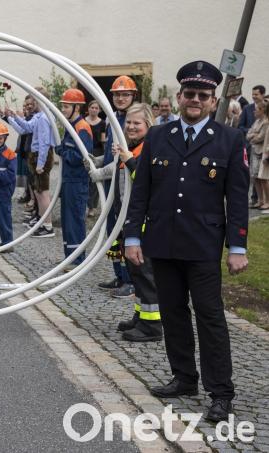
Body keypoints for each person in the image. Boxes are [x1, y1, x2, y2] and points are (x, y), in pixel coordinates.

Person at [124, 60, 249, 423]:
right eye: (189, 94)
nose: (195, 100)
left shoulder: (229, 139)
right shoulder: (159, 136)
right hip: (162, 242)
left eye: (203, 95)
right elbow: (142, 190)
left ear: (213, 101)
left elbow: (237, 198)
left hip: (203, 246)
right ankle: (183, 377)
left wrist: (237, 247)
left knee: (210, 317)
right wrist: (133, 235)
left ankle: (220, 392)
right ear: (179, 97)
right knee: (174, 314)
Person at [88, 103, 162, 342]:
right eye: (128, 122)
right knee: (137, 274)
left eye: (136, 123)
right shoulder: (132, 148)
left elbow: (147, 182)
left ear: (148, 125)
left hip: (145, 225)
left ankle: (152, 326)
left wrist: (129, 160)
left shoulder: (151, 149)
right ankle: (141, 318)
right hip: (129, 221)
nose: (130, 127)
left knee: (146, 274)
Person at [98, 75, 138, 297]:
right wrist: (98, 162)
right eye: (117, 94)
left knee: (124, 229)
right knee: (112, 228)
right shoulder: (112, 118)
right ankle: (120, 275)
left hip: (125, 181)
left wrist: (102, 171)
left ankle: (131, 280)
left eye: (125, 94)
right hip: (110, 180)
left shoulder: (133, 120)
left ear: (133, 96)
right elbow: (109, 153)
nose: (121, 98)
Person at [5, 90, 57, 238]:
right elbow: (27, 128)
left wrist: (40, 163)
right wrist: (14, 117)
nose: (32, 102)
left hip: (42, 156)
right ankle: (42, 220)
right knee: (38, 191)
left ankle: (47, 226)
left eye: (34, 99)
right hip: (36, 155)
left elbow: (45, 143)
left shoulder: (44, 117)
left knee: (43, 192)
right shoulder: (40, 116)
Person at [55, 88, 93, 269]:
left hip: (77, 181)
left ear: (77, 107)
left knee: (75, 220)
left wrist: (61, 150)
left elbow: (80, 157)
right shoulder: (72, 127)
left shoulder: (82, 128)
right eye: (62, 106)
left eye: (66, 106)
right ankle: (70, 257)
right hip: (68, 180)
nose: (63, 109)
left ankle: (77, 259)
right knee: (67, 221)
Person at [238, 85, 266, 205]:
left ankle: (261, 199)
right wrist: (250, 132)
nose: (254, 96)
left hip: (263, 147)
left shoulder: (266, 109)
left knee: (261, 175)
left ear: (262, 95)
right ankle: (254, 198)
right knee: (252, 174)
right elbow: (241, 126)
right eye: (253, 94)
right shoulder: (247, 108)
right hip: (249, 146)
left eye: (256, 94)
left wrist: (256, 133)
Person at [246, 101, 268, 209]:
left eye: (257, 109)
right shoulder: (256, 122)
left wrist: (253, 136)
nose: (254, 111)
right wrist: (253, 135)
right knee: (255, 177)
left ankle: (267, 201)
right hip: (254, 151)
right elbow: (248, 134)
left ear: (263, 110)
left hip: (261, 152)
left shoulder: (266, 123)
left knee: (263, 178)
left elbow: (261, 137)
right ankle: (260, 200)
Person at [85, 99, 105, 216]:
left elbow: (103, 139)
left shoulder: (102, 123)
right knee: (84, 179)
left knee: (95, 180)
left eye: (96, 108)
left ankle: (92, 207)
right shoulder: (83, 121)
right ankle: (84, 204)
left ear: (99, 110)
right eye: (92, 107)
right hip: (85, 152)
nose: (94, 110)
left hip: (97, 151)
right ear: (88, 109)